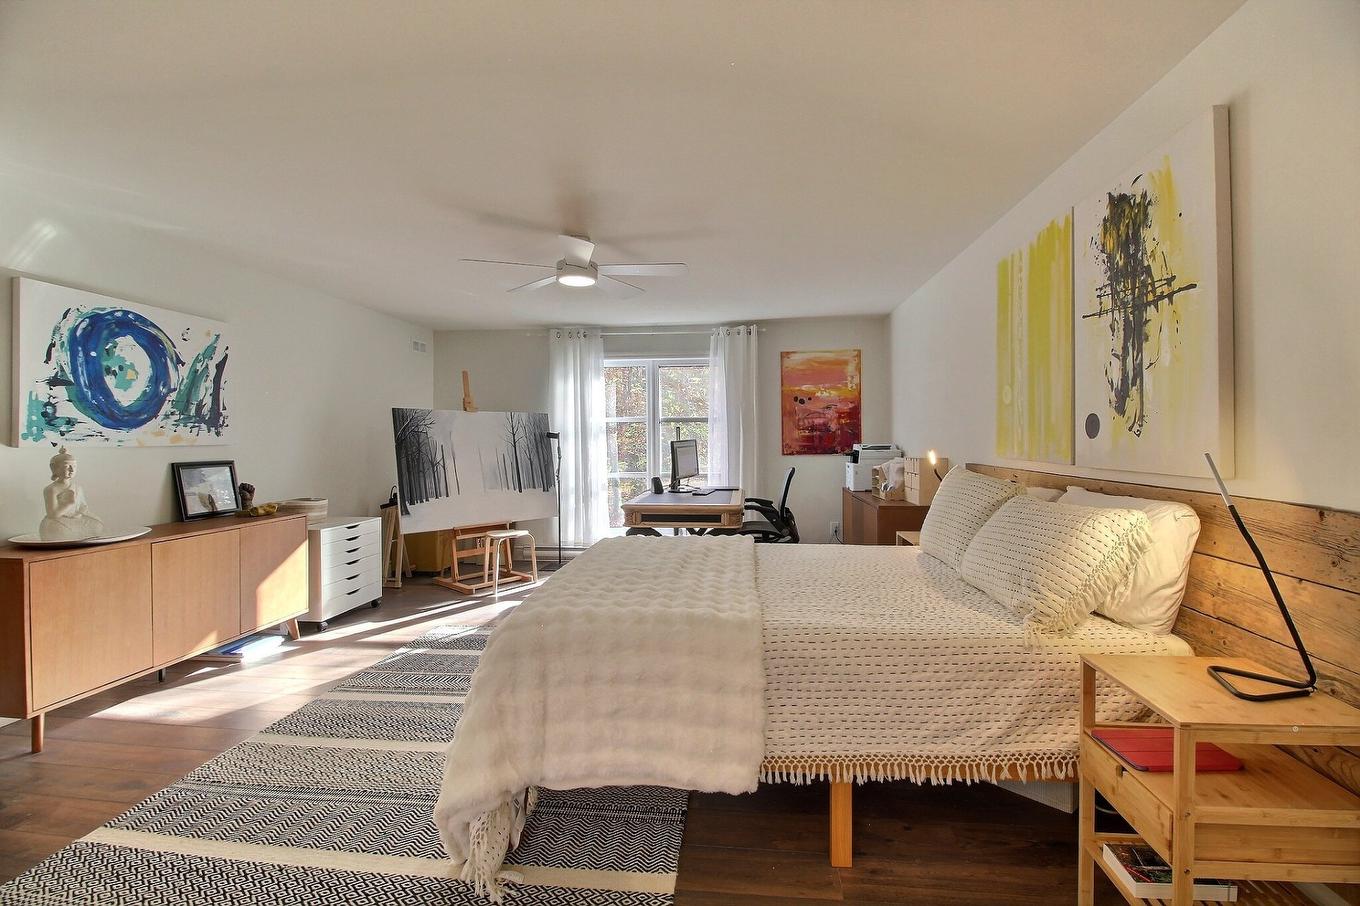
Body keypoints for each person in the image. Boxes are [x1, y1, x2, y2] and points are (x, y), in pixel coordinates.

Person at [39, 446, 106, 542]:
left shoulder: (78, 488)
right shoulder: (51, 489)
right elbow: (52, 514)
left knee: (97, 526)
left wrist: (88, 515)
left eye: (74, 466)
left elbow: (82, 507)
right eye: (67, 466)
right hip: (58, 522)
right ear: (55, 468)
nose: (71, 470)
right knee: (56, 531)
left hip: (75, 521)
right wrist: (68, 503)